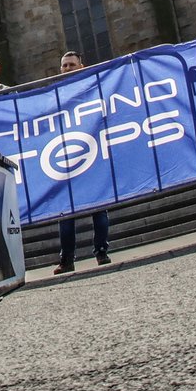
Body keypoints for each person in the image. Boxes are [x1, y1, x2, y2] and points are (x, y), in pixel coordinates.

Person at [52, 51, 112, 273]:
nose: (67, 68)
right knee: (65, 213)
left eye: (71, 65)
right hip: (65, 158)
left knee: (99, 209)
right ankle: (67, 259)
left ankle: (102, 252)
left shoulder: (91, 88)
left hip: (91, 153)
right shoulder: (53, 93)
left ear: (81, 66)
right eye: (64, 65)